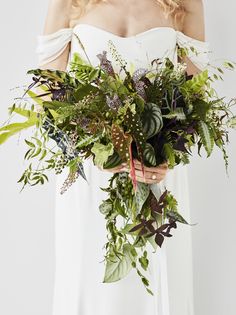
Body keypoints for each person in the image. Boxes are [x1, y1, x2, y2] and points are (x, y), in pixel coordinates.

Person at [36, 1, 210, 314]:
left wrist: (168, 152)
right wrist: (92, 151)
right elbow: (47, 91)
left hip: (155, 170)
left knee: (156, 273)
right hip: (90, 174)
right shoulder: (69, 2)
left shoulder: (185, 3)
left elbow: (194, 94)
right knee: (89, 275)